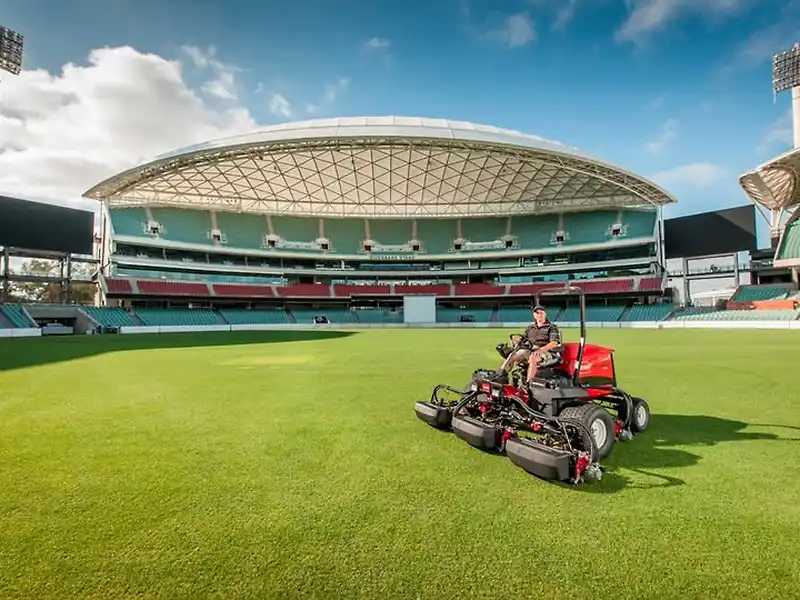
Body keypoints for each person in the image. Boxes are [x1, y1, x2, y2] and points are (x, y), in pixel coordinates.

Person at [501, 304, 563, 383]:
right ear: (534, 315)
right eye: (537, 313)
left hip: (547, 352)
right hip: (531, 350)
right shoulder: (530, 328)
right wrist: (516, 341)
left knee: (533, 357)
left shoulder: (551, 327)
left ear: (545, 314)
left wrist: (541, 350)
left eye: (541, 313)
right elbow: (523, 339)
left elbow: (554, 343)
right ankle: (502, 376)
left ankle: (528, 383)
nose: (539, 315)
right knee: (512, 354)